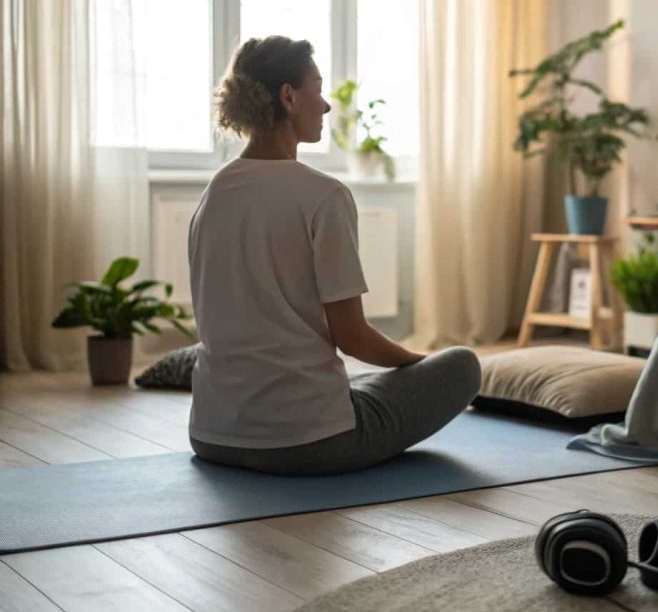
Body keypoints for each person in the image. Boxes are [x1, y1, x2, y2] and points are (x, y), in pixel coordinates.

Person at [187, 35, 480, 476]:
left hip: (212, 435)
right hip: (309, 442)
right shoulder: (324, 195)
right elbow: (353, 337)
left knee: (359, 380)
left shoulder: (214, 194)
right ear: (288, 96)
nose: (324, 105)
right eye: (317, 89)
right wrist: (423, 366)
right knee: (462, 365)